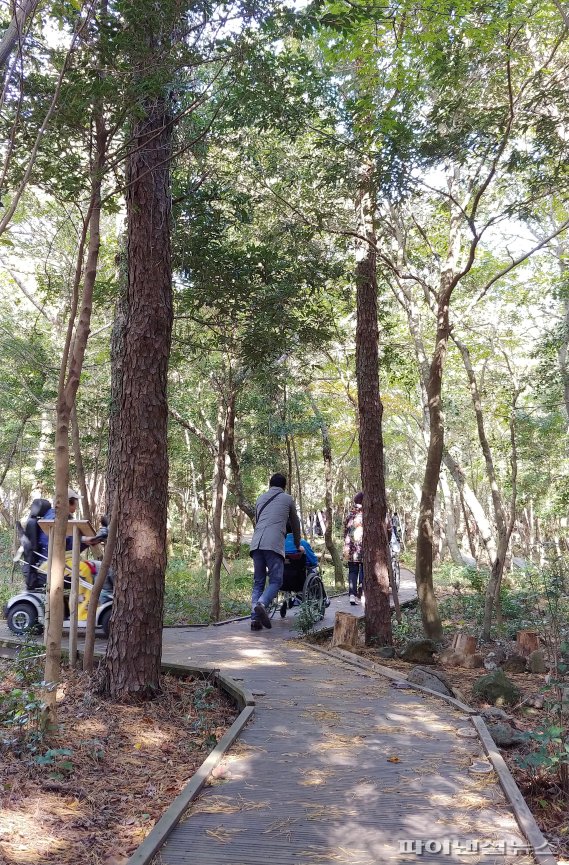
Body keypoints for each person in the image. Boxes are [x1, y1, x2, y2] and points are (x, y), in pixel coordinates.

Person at [249, 473, 301, 631]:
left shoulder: (260, 498)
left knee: (258, 581)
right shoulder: (288, 499)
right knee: (276, 581)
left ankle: (255, 619)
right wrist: (297, 543)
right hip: (273, 544)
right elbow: (295, 523)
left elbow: (258, 521)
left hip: (256, 544)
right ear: (284, 486)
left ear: (270, 484)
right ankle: (261, 604)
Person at [343, 491, 363, 605]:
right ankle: (361, 593)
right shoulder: (366, 515)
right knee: (364, 570)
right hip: (363, 548)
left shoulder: (349, 515)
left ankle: (352, 595)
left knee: (353, 571)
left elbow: (344, 532)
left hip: (350, 548)